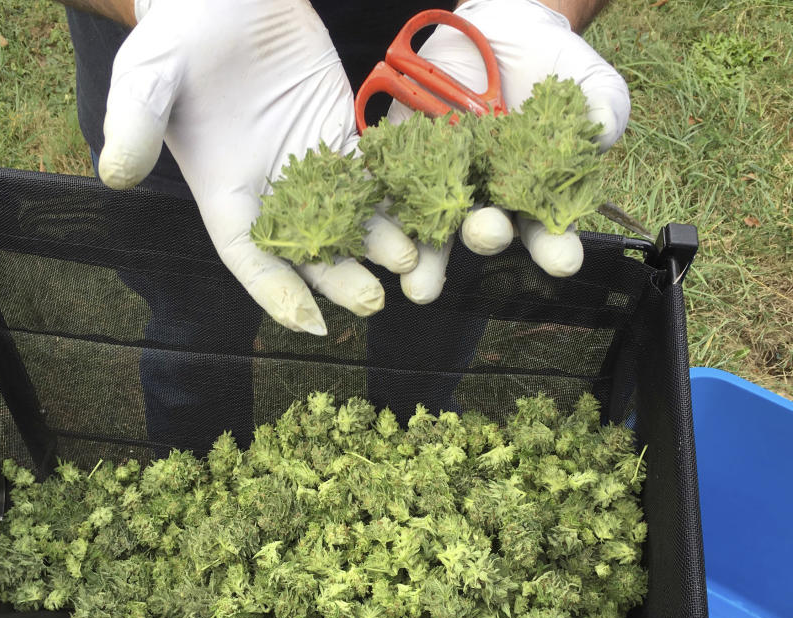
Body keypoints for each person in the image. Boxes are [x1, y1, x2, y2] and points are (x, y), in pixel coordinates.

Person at [59, 0, 631, 443]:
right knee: (196, 329)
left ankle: (415, 440)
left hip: (449, 44)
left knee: (433, 315)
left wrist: (538, 7)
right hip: (207, 93)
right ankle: (196, 465)